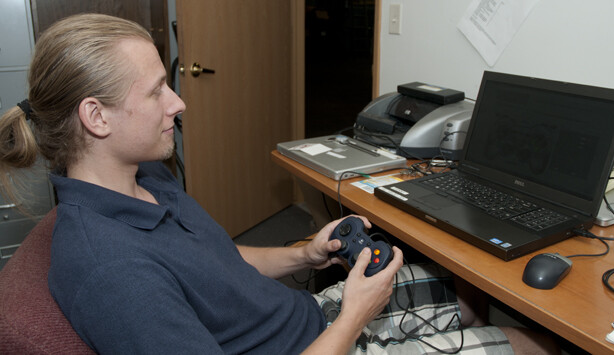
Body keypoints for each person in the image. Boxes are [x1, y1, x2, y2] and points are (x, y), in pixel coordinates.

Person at [0, 13, 559, 354]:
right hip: (322, 344)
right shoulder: (111, 273)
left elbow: (215, 263)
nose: (178, 103)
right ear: (96, 118)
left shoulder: (144, 176)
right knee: (537, 340)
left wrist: (304, 255)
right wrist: (360, 313)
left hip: (311, 318)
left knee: (461, 291)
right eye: (155, 92)